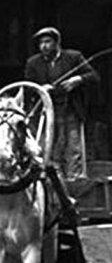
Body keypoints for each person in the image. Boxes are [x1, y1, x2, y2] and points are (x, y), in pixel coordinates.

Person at [24, 27, 99, 179]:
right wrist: (40, 89)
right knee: (48, 147)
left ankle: (73, 181)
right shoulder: (33, 63)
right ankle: (53, 180)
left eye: (48, 42)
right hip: (46, 112)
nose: (44, 46)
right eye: (41, 43)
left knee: (73, 148)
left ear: (57, 43)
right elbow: (27, 88)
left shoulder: (73, 57)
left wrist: (77, 80)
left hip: (70, 109)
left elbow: (93, 76)